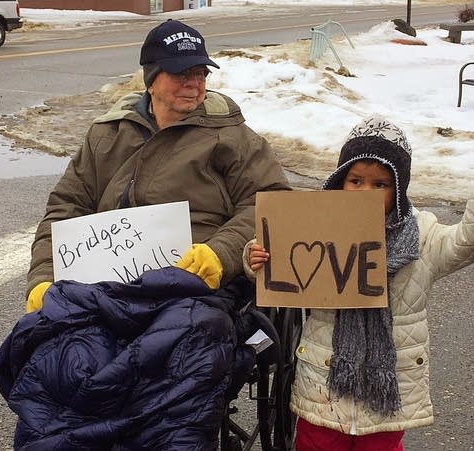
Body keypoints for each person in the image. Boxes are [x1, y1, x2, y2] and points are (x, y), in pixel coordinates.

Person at [245, 116, 474, 450]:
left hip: (388, 393)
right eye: (355, 181)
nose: (365, 192)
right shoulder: (316, 227)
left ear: (398, 188)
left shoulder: (422, 238)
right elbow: (274, 260)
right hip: (323, 386)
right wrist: (255, 258)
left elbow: (472, 237)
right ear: (340, 182)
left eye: (379, 184)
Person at [25, 18, 290, 311]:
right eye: (181, 73)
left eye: (201, 73)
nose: (194, 83)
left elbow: (270, 201)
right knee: (48, 348)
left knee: (176, 348)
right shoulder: (107, 134)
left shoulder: (230, 135)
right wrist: (43, 278)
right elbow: (66, 207)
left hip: (194, 289)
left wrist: (220, 253)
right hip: (105, 287)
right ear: (151, 79)